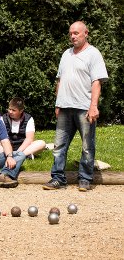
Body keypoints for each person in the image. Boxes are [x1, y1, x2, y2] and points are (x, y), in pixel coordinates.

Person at [43, 21, 108, 191]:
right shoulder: (66, 54)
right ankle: (58, 178)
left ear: (86, 33)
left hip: (84, 108)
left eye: (76, 33)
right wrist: (58, 103)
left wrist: (93, 106)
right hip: (64, 107)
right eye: (71, 33)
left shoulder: (93, 54)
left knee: (87, 145)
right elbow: (60, 80)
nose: (72, 36)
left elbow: (96, 82)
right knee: (59, 146)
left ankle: (85, 178)